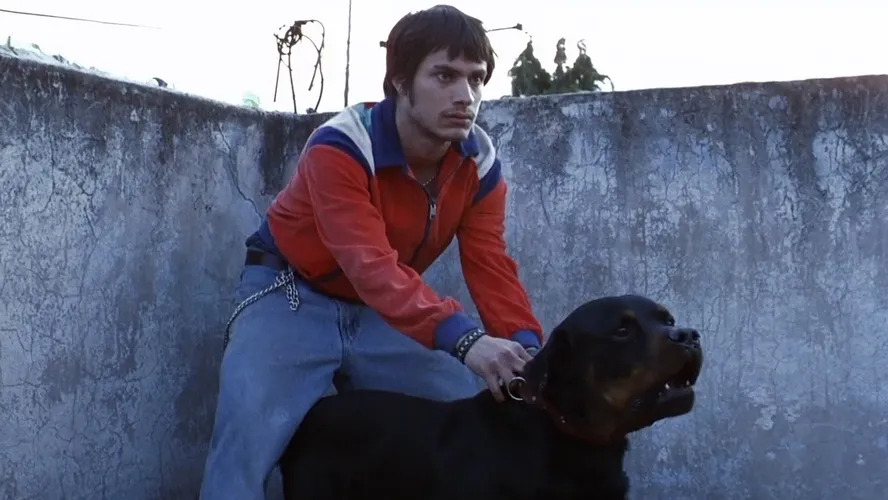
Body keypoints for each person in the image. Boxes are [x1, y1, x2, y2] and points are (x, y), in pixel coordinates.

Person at [198, 4, 544, 499]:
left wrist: (528, 350)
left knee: (465, 414)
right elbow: (369, 264)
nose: (465, 96)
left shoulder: (479, 164)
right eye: (444, 75)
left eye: (476, 78)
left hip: (386, 311)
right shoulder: (341, 146)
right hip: (290, 292)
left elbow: (491, 265)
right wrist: (467, 340)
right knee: (245, 446)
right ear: (400, 81)